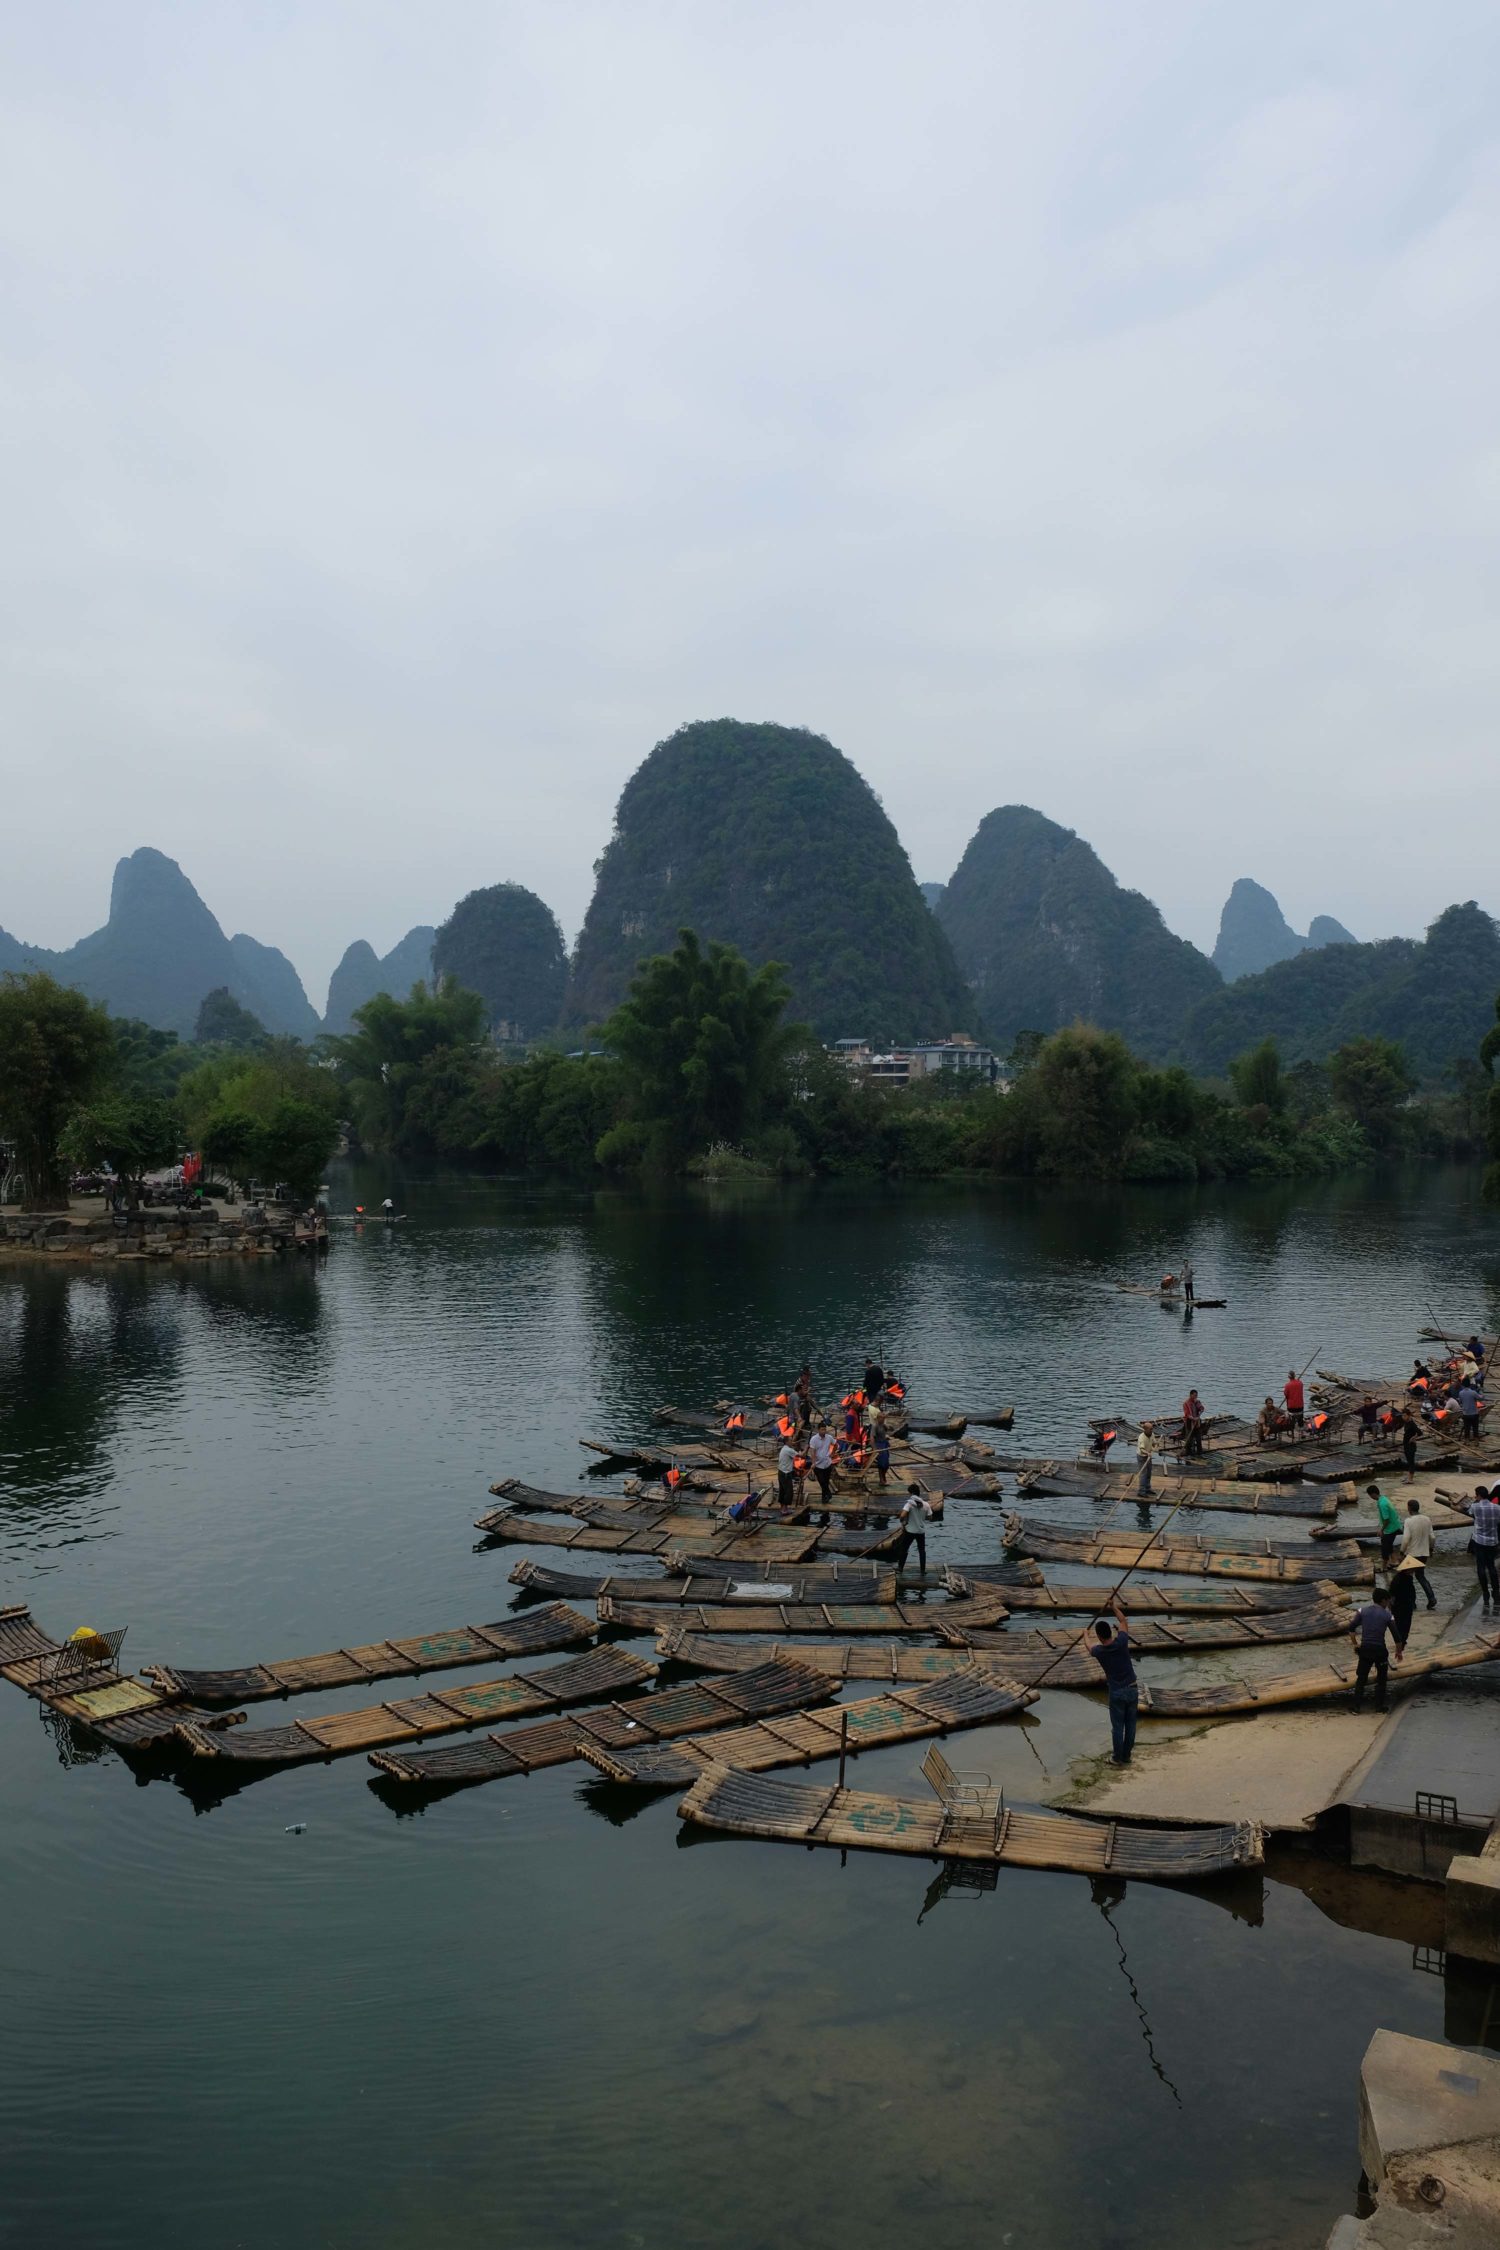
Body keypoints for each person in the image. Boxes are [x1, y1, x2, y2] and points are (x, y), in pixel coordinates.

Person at [1089, 1601, 1138, 1765]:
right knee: (1130, 1725)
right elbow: (1123, 1621)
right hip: (1132, 1688)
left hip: (1117, 1692)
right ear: (1110, 1632)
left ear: (1099, 1637)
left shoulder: (1099, 1651)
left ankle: (1117, 1758)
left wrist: (1084, 1634)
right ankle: (1127, 1756)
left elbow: (1088, 1647)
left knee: (1118, 1727)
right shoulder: (1121, 1641)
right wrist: (1113, 1606)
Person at [1349, 1588, 1400, 1713]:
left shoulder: (1362, 1611)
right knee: (1381, 1679)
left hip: (1365, 1649)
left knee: (1361, 1679)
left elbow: (1351, 1629)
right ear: (1383, 1600)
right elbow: (1397, 1637)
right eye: (1388, 1601)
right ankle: (1379, 1707)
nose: (1388, 1604)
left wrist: (1355, 1644)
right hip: (1380, 1650)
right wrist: (1399, 1652)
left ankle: (1356, 1708)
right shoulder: (1388, 1615)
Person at [1463, 1483, 1500, 1612]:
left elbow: (1468, 1510)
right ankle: (1496, 1592)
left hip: (1479, 1541)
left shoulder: (1475, 1507)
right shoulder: (1497, 1508)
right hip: (1493, 1541)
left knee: (1481, 1567)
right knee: (1491, 1567)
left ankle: (1485, 1593)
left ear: (1478, 1495)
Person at [1399, 1498, 1437, 1608]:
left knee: (1407, 1578)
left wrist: (1402, 1552)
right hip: (1424, 1553)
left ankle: (1412, 1602)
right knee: (1420, 1576)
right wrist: (1431, 1549)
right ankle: (1431, 1598)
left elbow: (1406, 1538)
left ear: (1409, 1508)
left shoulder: (1408, 1521)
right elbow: (1432, 1537)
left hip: (1412, 1554)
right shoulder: (1427, 1519)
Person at [895, 1483, 933, 1576]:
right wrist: (922, 1517)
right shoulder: (926, 1504)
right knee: (922, 1550)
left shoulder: (909, 1504)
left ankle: (900, 1569)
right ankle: (923, 1571)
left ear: (911, 1493)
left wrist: (903, 1522)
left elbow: (902, 1516)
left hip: (910, 1531)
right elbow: (930, 1517)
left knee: (904, 1549)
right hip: (921, 1531)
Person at [1388, 1556, 1419, 1655]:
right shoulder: (1398, 1579)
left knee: (1405, 1626)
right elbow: (1392, 1594)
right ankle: (1400, 1645)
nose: (1414, 1570)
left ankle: (1402, 1643)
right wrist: (1391, 1607)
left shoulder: (1408, 1578)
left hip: (1407, 1606)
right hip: (1400, 1607)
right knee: (1401, 1626)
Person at [1369, 1483, 1403, 1568]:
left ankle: (1383, 1566)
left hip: (1390, 1528)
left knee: (1384, 1547)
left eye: (1370, 1495)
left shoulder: (1382, 1504)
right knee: (1389, 1544)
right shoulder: (1383, 1498)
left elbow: (1386, 1520)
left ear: (1373, 1494)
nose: (1370, 1497)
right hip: (1395, 1525)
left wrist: (1381, 1530)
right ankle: (1394, 1561)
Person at [808, 1419, 835, 1512]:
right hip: (818, 1464)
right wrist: (813, 1462)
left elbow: (835, 1444)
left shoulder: (829, 1437)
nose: (824, 1431)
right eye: (822, 1429)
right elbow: (812, 1452)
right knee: (821, 1481)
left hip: (827, 1463)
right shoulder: (814, 1439)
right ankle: (828, 1493)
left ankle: (824, 1498)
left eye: (825, 1429)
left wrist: (833, 1453)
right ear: (818, 1430)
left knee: (826, 1481)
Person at [1181, 1388, 1205, 1459]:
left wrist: (1201, 1409)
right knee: (1189, 1439)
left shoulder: (1197, 1401)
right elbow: (1187, 1414)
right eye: (1194, 1395)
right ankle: (1189, 1454)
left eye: (1196, 1396)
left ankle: (1200, 1453)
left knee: (1198, 1438)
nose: (1195, 1397)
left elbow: (1201, 1407)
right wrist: (1193, 1418)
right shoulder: (1186, 1403)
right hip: (1189, 1422)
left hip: (1197, 1423)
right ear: (1191, 1395)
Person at [870, 1407, 892, 1487]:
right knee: (881, 1464)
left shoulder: (883, 1425)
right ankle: (882, 1480)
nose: (883, 1420)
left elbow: (889, 1429)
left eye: (884, 1418)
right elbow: (872, 1438)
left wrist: (887, 1426)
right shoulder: (875, 1426)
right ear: (878, 1418)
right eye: (882, 1418)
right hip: (879, 1445)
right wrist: (874, 1449)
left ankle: (883, 1478)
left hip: (884, 1444)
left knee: (886, 1464)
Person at [1135, 1420, 1157, 1497]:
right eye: (1150, 1429)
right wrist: (1147, 1453)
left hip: (1149, 1456)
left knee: (1149, 1473)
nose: (1152, 1430)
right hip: (1142, 1456)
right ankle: (1141, 1491)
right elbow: (1142, 1449)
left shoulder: (1152, 1434)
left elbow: (1154, 1443)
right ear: (1146, 1429)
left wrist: (1155, 1446)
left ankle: (1148, 1489)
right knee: (1143, 1474)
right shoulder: (1141, 1437)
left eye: (1152, 1428)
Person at [1400, 1409, 1420, 1482]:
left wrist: (1414, 1438)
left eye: (1405, 1415)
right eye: (1402, 1415)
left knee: (1411, 1462)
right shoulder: (1406, 1423)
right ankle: (1408, 1476)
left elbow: (1420, 1432)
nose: (1403, 1417)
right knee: (1409, 1461)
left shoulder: (1412, 1423)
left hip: (1411, 1445)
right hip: (1406, 1444)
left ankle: (1410, 1479)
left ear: (1408, 1416)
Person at [776, 1438, 797, 1510]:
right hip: (786, 1473)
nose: (792, 1442)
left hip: (781, 1472)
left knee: (782, 1491)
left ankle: (782, 1508)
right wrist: (807, 1448)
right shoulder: (789, 1450)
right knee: (789, 1492)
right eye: (791, 1441)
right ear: (787, 1442)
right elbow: (801, 1455)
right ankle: (784, 1509)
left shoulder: (784, 1448)